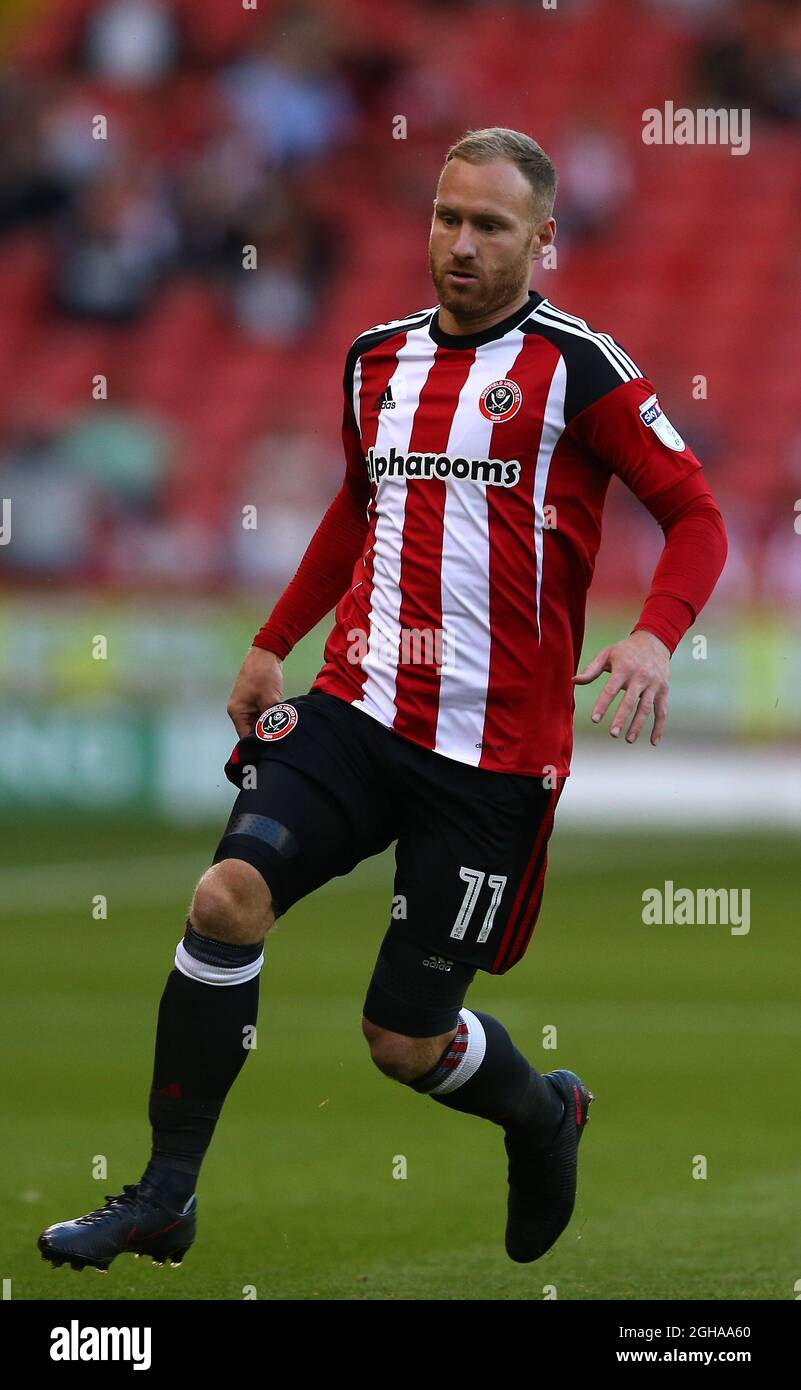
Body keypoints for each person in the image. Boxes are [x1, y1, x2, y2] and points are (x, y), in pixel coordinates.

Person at [37, 126, 728, 1275]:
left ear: (543, 239)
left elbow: (695, 512)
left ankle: (541, 1115)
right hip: (357, 708)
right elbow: (360, 508)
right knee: (225, 898)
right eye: (448, 217)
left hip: (493, 756)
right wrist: (272, 643)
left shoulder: (580, 368)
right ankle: (163, 1196)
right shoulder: (374, 360)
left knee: (401, 1041)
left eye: (491, 225)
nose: (460, 243)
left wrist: (656, 637)